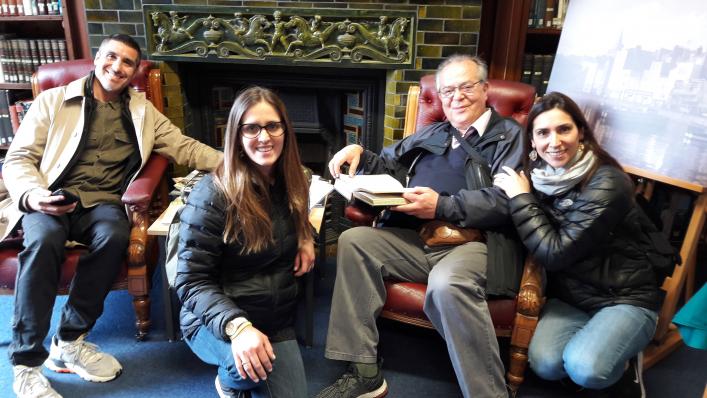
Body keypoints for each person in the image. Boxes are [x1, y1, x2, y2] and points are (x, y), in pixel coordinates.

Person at [1, 34, 222, 398]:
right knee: (43, 241)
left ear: (134, 72)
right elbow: (19, 158)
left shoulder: (142, 111)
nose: (117, 67)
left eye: (127, 63)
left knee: (115, 237)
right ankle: (26, 362)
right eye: (111, 57)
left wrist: (239, 163)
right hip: (50, 197)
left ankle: (69, 340)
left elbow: (184, 146)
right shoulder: (53, 100)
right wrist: (34, 195)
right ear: (97, 59)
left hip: (103, 203)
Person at [316, 54, 526, 398]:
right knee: (354, 241)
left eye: (465, 87)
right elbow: (386, 162)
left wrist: (441, 206)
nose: (455, 97)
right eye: (447, 91)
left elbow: (508, 200)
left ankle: (489, 393)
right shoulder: (433, 132)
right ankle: (364, 370)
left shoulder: (509, 136)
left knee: (446, 285)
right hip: (416, 238)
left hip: (473, 243)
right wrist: (360, 153)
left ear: (486, 90)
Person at [493, 92, 665, 397]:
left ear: (581, 132)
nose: (554, 141)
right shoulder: (538, 177)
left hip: (623, 295)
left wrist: (521, 199)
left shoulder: (607, 181)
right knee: (545, 364)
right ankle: (597, 346)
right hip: (572, 296)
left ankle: (624, 369)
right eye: (543, 133)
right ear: (532, 142)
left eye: (564, 129)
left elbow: (555, 253)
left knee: (585, 368)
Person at [175, 86, 315, 398]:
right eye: (251, 128)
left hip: (274, 317)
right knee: (243, 372)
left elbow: (298, 219)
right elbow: (190, 280)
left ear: (285, 131)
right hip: (217, 319)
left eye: (272, 126)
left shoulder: (296, 179)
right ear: (237, 136)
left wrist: (305, 237)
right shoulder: (211, 195)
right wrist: (238, 328)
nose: (264, 137)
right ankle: (228, 384)